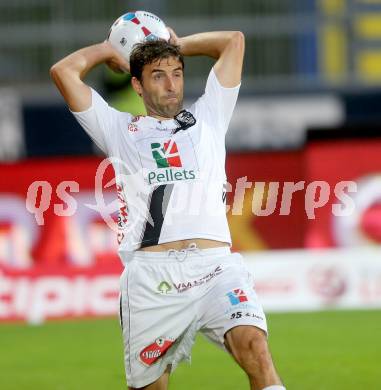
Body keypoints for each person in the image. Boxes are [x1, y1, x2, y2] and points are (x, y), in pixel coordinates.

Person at [50, 24, 285, 390]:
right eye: (157, 76)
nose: (171, 84)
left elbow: (233, 41)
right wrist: (109, 50)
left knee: (256, 349)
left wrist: (175, 45)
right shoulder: (116, 128)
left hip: (215, 269)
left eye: (176, 74)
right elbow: (63, 72)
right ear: (137, 85)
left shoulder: (209, 116)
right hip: (151, 279)